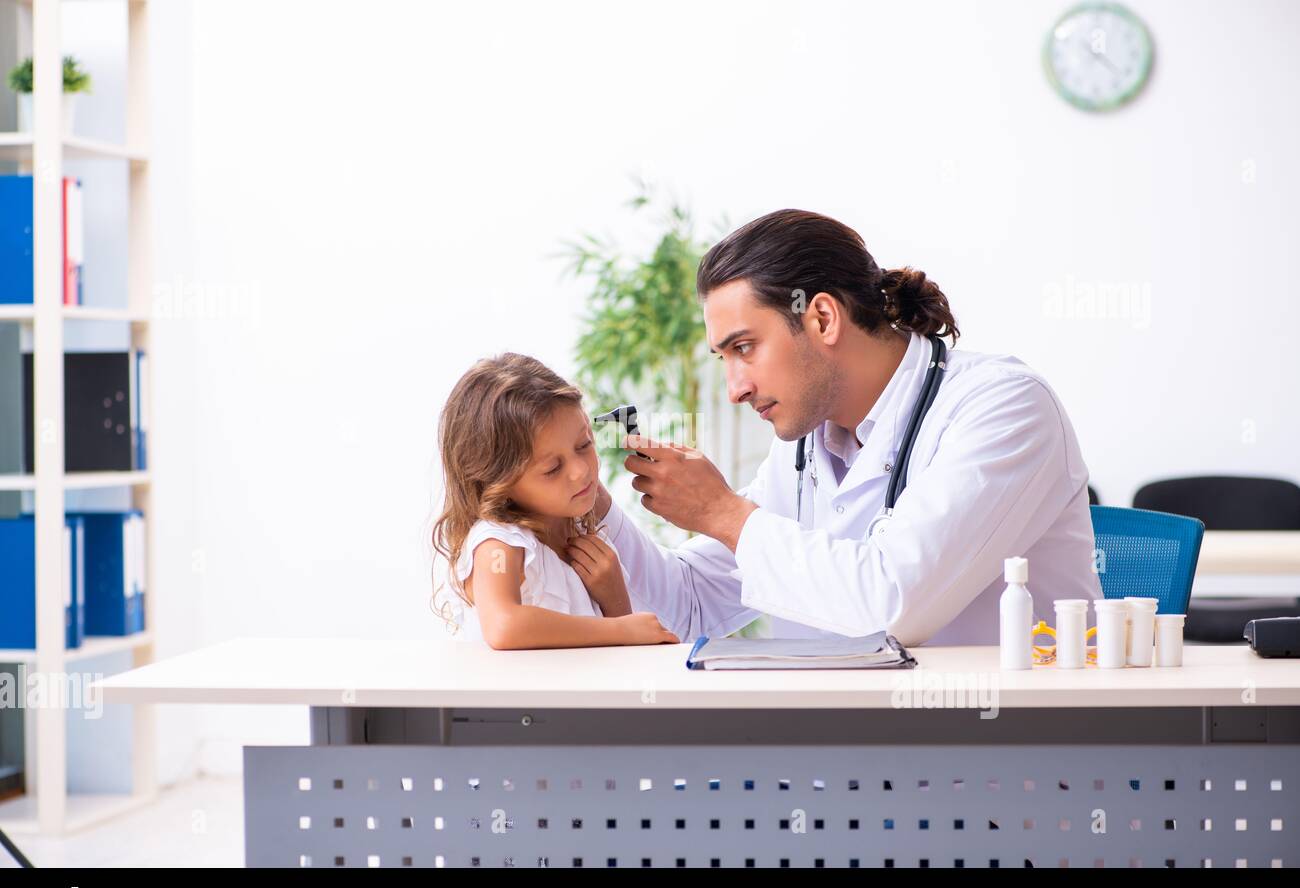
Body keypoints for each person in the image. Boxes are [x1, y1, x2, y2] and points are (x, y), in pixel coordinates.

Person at [592, 209, 1103, 646]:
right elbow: (689, 604)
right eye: (723, 357)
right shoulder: (808, 444)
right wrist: (592, 504)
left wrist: (725, 514)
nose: (735, 388)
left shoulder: (1002, 405)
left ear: (822, 318)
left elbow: (894, 607)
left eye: (744, 348)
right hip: (842, 749)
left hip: (995, 747)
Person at [431, 353, 678, 650]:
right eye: (552, 468)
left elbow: (621, 651)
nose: (581, 470)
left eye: (584, 444)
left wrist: (615, 598)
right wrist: (619, 627)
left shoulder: (582, 533)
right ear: (499, 481)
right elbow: (503, 626)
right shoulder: (499, 545)